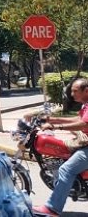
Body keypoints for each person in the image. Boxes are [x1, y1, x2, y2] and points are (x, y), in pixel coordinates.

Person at [33, 78, 88, 216]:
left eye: (75, 91)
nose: (72, 94)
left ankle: (52, 208)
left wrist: (57, 126)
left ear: (86, 91)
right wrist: (52, 119)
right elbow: (78, 120)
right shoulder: (85, 105)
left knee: (66, 169)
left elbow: (84, 125)